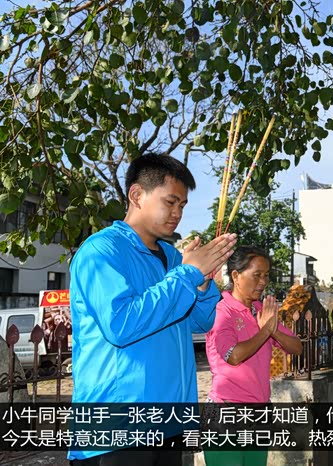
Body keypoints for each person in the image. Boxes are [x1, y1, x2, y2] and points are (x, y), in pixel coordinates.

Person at [68, 154, 237, 465]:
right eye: (170, 202)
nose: (177, 214)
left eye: (182, 205)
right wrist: (187, 275)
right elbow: (121, 325)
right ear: (136, 195)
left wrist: (202, 283)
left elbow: (201, 322)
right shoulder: (101, 251)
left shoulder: (173, 258)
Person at [205, 246, 302, 466]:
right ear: (236, 275)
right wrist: (266, 331)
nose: (263, 281)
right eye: (256, 275)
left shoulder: (261, 309)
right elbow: (233, 355)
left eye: (266, 275)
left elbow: (297, 348)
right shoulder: (222, 311)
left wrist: (273, 330)